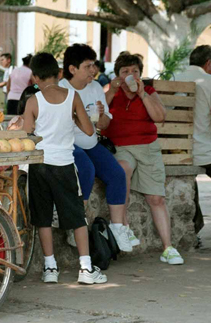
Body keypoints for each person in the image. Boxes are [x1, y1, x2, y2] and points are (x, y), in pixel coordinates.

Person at [23, 52, 107, 285]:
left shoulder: (33, 101)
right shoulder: (73, 97)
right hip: (64, 166)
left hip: (39, 166)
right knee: (77, 218)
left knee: (43, 218)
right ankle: (86, 268)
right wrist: (73, 119)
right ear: (59, 73)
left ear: (35, 77)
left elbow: (27, 136)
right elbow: (90, 130)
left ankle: (50, 268)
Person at [103, 52, 184, 265]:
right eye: (125, 71)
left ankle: (168, 248)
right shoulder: (111, 92)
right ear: (118, 74)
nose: (130, 75)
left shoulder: (148, 91)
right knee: (122, 169)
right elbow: (99, 117)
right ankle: (125, 229)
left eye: (135, 71)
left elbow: (160, 117)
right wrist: (111, 91)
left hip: (148, 147)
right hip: (121, 147)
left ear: (141, 74)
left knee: (156, 198)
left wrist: (142, 95)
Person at [60, 44, 133, 252]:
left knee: (117, 174)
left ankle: (118, 228)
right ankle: (77, 224)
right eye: (88, 66)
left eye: (94, 65)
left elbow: (103, 125)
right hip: (68, 144)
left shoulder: (95, 89)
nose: (94, 70)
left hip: (92, 142)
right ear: (73, 69)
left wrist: (101, 115)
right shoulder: (62, 88)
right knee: (86, 169)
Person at [174, 45, 211, 234]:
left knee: (191, 182)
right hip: (203, 151)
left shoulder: (174, 78)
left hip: (175, 150)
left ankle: (195, 228)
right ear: (208, 63)